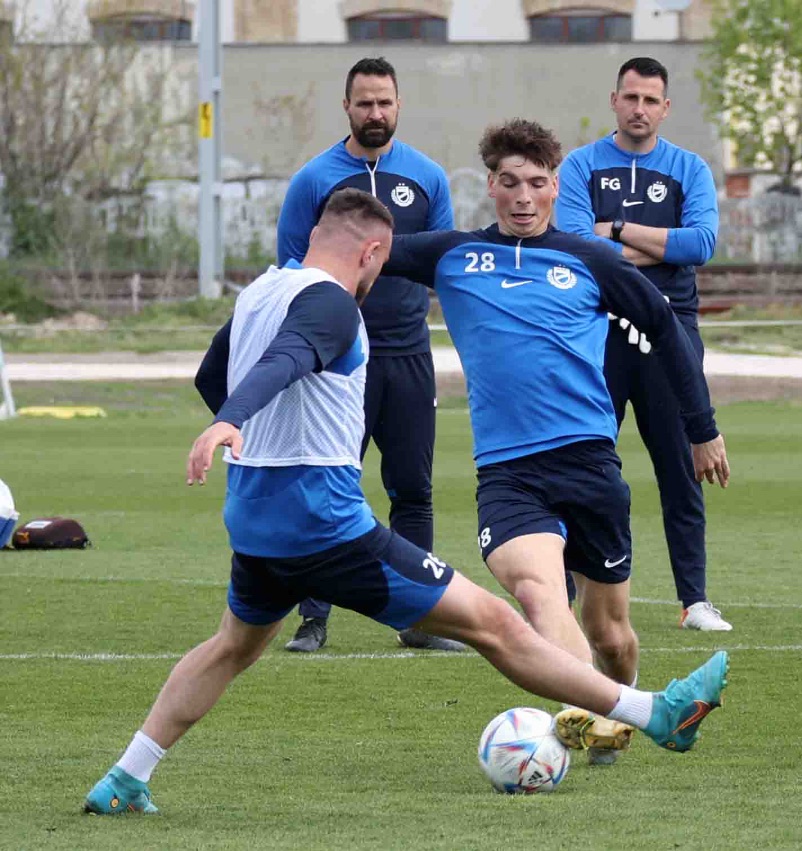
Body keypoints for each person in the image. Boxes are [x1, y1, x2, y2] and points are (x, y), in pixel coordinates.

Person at [81, 189, 729, 816]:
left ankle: (125, 777)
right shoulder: (333, 304)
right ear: (371, 251)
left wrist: (243, 424)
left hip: (254, 511)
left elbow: (213, 372)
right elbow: (289, 356)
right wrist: (232, 419)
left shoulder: (261, 291)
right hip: (323, 522)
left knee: (231, 646)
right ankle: (657, 713)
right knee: (497, 625)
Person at [382, 119, 730, 763]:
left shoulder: (591, 259)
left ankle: (611, 718)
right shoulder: (452, 254)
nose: (523, 196)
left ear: (555, 187)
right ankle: (595, 715)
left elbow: (666, 328)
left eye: (537, 183)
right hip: (509, 474)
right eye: (510, 182)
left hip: (590, 465)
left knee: (612, 634)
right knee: (540, 594)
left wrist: (702, 429)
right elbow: (360, 246)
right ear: (490, 185)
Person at [276, 56, 461, 653]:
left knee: (413, 489)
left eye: (384, 102)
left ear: (399, 105)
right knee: (325, 485)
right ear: (347, 107)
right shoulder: (314, 180)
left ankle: (419, 620)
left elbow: (443, 264)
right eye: (365, 103)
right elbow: (290, 270)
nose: (375, 113)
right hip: (338, 359)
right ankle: (313, 618)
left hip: (408, 354)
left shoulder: (428, 178)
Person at [555, 57, 730, 632]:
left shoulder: (688, 167)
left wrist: (616, 231)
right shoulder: (581, 165)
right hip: (596, 330)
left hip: (669, 330)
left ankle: (694, 600)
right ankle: (561, 592)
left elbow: (700, 243)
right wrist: (655, 246)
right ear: (614, 100)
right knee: (579, 460)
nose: (639, 109)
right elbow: (576, 244)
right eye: (630, 97)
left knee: (680, 466)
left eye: (650, 100)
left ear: (665, 107)